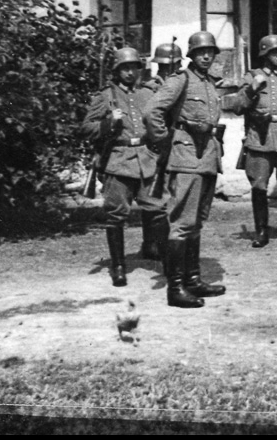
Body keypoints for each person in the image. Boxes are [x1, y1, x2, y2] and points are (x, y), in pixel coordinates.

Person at [145, 31, 227, 308]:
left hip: (207, 159)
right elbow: (153, 111)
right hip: (185, 160)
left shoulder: (210, 83)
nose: (206, 56)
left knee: (196, 222)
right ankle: (175, 288)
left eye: (210, 51)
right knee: (181, 224)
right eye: (201, 51)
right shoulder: (180, 79)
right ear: (191, 54)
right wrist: (165, 141)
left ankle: (193, 280)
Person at [80, 47, 168, 287]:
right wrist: (107, 124)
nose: (130, 73)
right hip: (118, 160)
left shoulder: (148, 93)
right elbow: (86, 128)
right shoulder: (105, 96)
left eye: (134, 68)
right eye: (124, 68)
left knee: (158, 209)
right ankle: (118, 266)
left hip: (147, 159)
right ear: (116, 71)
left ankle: (165, 258)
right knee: (116, 214)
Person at [227, 34, 277, 248]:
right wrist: (253, 87)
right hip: (260, 140)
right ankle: (261, 232)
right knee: (259, 187)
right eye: (275, 53)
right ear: (265, 54)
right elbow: (237, 107)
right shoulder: (252, 76)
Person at [137, 41, 184, 259]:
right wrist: (161, 138)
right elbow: (145, 119)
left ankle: (160, 243)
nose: (170, 71)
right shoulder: (148, 90)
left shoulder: (179, 86)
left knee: (170, 197)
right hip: (155, 148)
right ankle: (151, 244)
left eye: (173, 67)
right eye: (165, 67)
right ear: (158, 67)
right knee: (153, 198)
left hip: (176, 149)